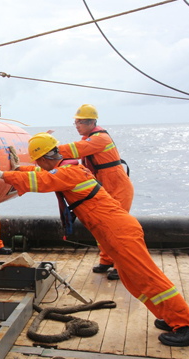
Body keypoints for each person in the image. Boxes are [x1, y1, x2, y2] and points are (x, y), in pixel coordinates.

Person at [0, 132, 189, 347]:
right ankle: (171, 317)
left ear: (44, 158)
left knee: (148, 279)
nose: (39, 165)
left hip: (119, 232)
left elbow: (44, 180)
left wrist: (4, 175)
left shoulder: (69, 173)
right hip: (113, 232)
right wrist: (18, 169)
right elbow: (43, 174)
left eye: (38, 161)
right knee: (132, 280)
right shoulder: (68, 168)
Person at [57, 104, 133, 281]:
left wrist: (50, 150)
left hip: (119, 188)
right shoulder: (90, 138)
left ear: (92, 122)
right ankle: (106, 260)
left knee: (117, 229)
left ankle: (120, 266)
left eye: (80, 122)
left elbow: (75, 150)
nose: (77, 125)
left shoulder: (100, 138)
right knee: (102, 226)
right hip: (105, 187)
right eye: (75, 122)